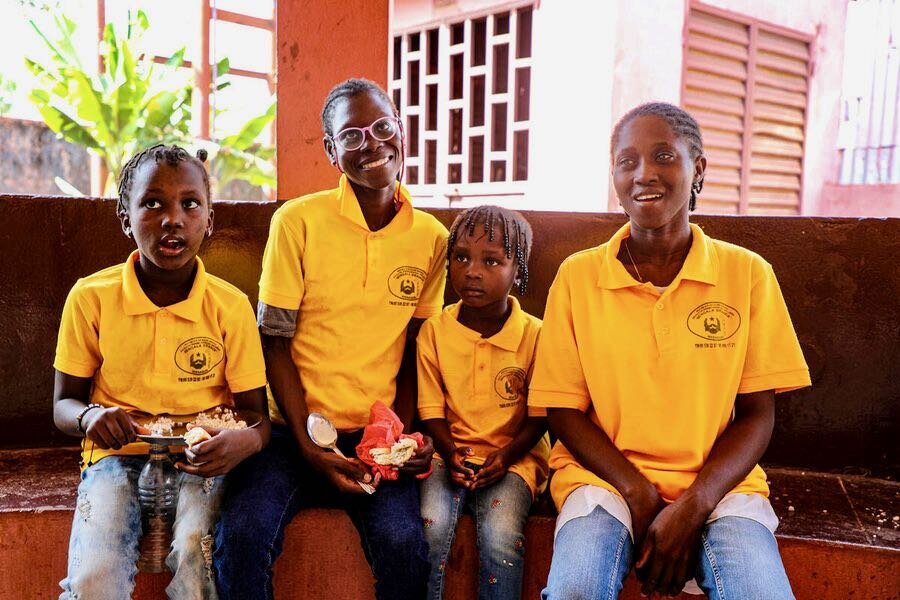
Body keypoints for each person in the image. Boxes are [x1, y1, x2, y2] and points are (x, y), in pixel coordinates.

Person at [530, 102, 810, 600]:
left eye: (664, 156)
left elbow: (757, 415)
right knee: (575, 589)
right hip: (602, 481)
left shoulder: (746, 275)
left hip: (722, 487)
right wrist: (638, 492)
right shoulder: (579, 276)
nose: (644, 174)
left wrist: (696, 503)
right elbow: (563, 412)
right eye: (626, 160)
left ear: (697, 168)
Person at [214, 78, 449, 600]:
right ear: (331, 151)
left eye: (382, 126)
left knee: (404, 544)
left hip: (375, 439)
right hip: (291, 432)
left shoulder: (432, 238)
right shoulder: (297, 222)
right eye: (351, 135)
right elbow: (273, 340)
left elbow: (415, 346)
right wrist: (309, 444)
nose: (372, 144)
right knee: (243, 536)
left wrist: (401, 437)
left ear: (401, 130)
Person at [53, 144, 270, 600]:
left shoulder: (229, 307)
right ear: (125, 216)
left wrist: (243, 441)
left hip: (201, 459)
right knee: (93, 577)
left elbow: (256, 416)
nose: (173, 219)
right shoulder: (91, 297)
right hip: (113, 454)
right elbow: (63, 405)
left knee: (198, 558)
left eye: (190, 204)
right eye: (152, 203)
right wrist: (90, 416)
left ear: (209, 219)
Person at [418, 206, 550, 600]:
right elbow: (431, 409)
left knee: (500, 536)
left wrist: (506, 456)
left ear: (518, 270)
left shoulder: (536, 336)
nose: (472, 271)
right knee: (432, 525)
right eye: (461, 257)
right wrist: (449, 450)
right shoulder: (435, 332)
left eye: (492, 260)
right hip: (448, 453)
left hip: (515, 457)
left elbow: (541, 415)